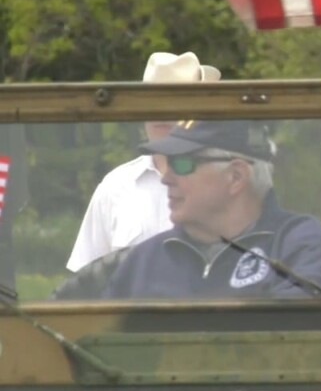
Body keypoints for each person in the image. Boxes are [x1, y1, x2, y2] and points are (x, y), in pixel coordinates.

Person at [101, 119, 321, 299]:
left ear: (236, 177)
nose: (166, 178)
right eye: (167, 164)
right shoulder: (143, 260)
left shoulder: (297, 244)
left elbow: (300, 338)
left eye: (182, 163)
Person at [66, 52, 222, 272]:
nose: (161, 112)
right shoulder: (114, 187)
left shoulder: (225, 181)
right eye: (152, 103)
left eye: (174, 103)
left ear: (198, 112)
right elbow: (84, 283)